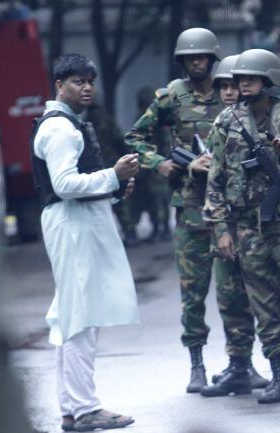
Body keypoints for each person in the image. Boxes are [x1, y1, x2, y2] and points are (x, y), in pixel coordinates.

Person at [204, 48, 280, 404]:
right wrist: (221, 228)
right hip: (247, 228)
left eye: (251, 79)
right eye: (240, 80)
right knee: (266, 307)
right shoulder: (227, 122)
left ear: (267, 80)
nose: (243, 84)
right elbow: (216, 180)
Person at [30, 53, 138, 432]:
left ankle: (72, 407)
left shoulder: (67, 124)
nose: (87, 87)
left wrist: (113, 186)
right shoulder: (60, 129)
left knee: (72, 315)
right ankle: (85, 407)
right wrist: (113, 175)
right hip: (71, 225)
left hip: (75, 222)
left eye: (90, 80)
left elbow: (74, 186)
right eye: (77, 81)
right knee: (81, 318)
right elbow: (64, 185)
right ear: (60, 86)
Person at [124, 28, 229, 393]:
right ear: (182, 62)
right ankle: (197, 364)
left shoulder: (230, 91)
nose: (196, 61)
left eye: (201, 56)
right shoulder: (172, 95)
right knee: (193, 292)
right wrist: (161, 163)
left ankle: (241, 361)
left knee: (237, 290)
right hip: (190, 207)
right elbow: (136, 137)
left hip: (231, 207)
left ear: (212, 59)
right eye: (189, 57)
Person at [86, 102, 142, 247]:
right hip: (112, 163)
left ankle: (127, 233)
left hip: (99, 165)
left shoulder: (86, 121)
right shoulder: (106, 119)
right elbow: (118, 138)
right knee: (120, 199)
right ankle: (130, 232)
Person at [134, 87, 172, 243]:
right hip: (148, 166)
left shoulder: (160, 119)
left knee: (161, 198)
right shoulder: (143, 119)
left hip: (161, 164)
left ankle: (163, 229)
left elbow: (167, 142)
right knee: (152, 200)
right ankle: (158, 228)